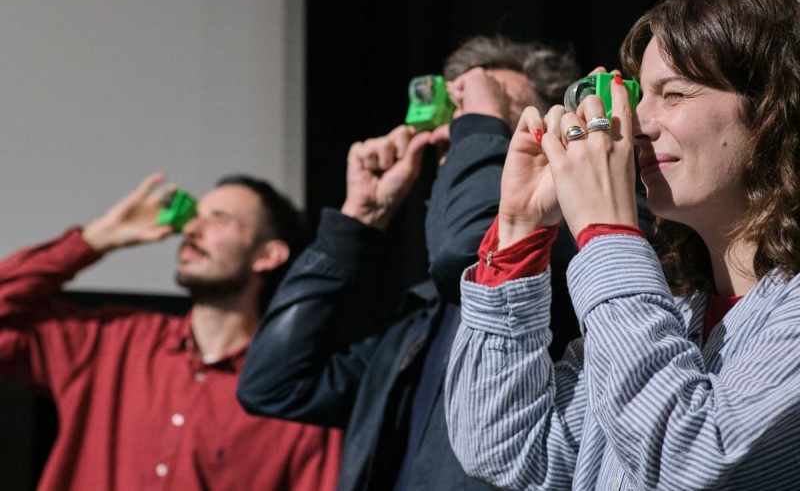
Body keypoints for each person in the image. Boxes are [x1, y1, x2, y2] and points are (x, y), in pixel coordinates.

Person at [444, 0, 800, 490]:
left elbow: (693, 462)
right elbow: (508, 449)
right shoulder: (674, 309)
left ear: (774, 109)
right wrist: (520, 233)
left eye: (673, 94)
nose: (634, 125)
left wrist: (607, 233)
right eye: (638, 97)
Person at [237, 35, 582, 490]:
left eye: (496, 120)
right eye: (459, 131)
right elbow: (274, 386)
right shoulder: (420, 323)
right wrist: (357, 221)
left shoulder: (573, 264)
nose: (465, 140)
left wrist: (481, 124)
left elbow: (469, 249)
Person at [0, 173, 343, 490]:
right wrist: (98, 238)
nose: (191, 228)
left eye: (219, 219)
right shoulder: (113, 343)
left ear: (268, 255)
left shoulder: (291, 395)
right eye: (195, 215)